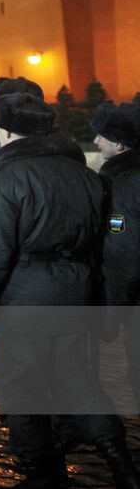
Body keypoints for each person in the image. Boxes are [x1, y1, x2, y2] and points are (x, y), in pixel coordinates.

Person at [0, 93, 140, 489]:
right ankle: (123, 468)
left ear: (5, 130)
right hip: (75, 297)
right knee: (81, 385)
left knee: (23, 392)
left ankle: (41, 486)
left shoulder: (5, 178)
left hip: (25, 303)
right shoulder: (84, 174)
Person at [95, 102, 140, 408]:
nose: (96, 142)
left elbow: (125, 253)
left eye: (102, 136)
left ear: (121, 143)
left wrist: (112, 314)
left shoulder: (124, 184)